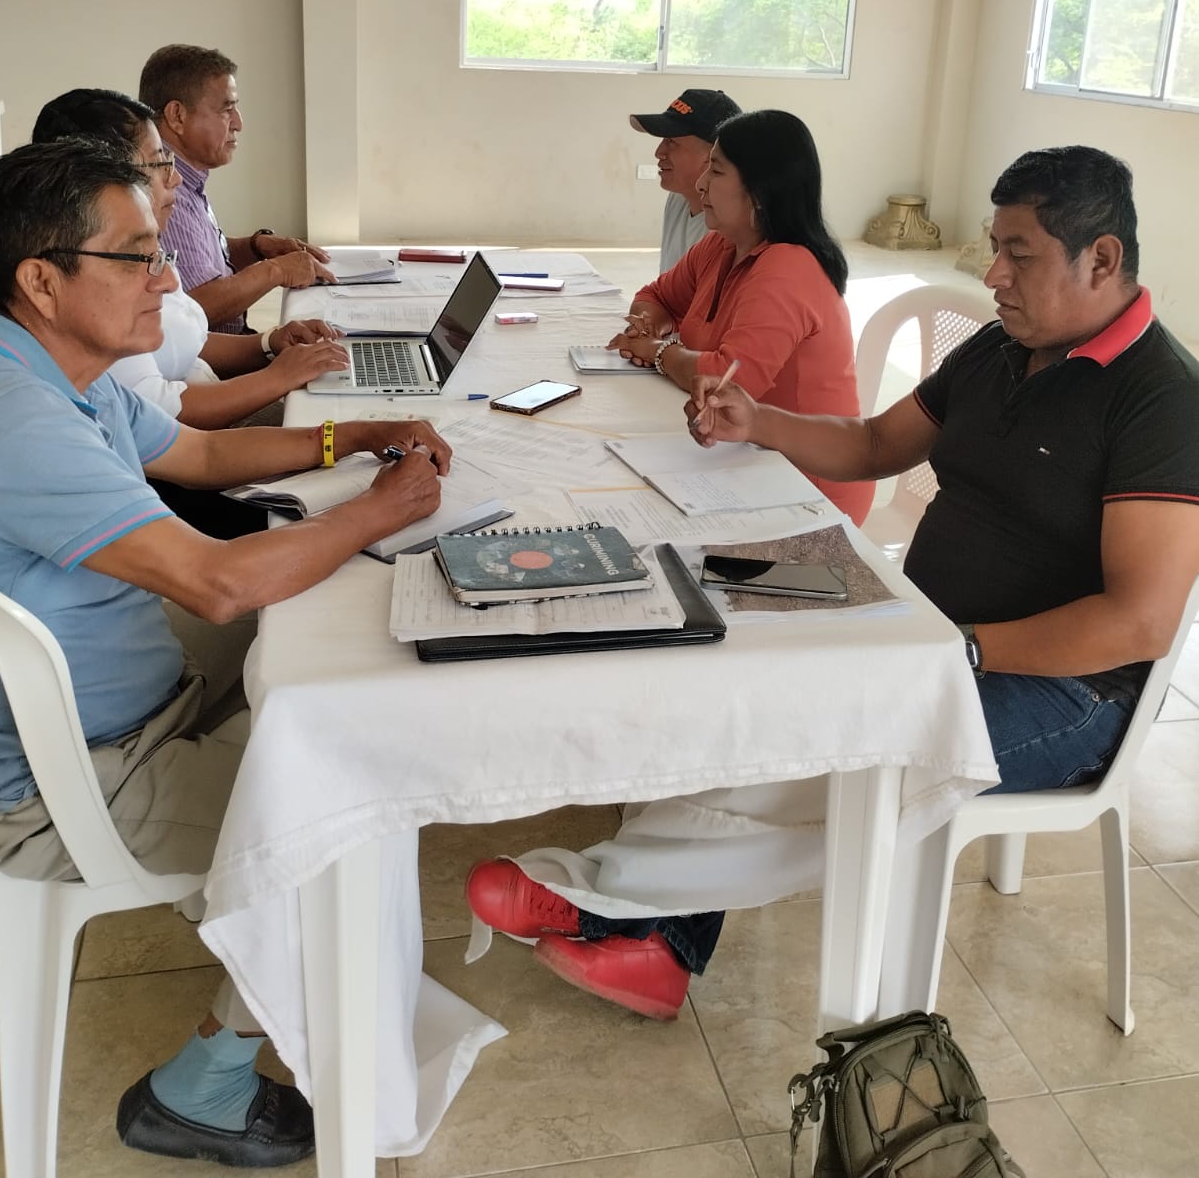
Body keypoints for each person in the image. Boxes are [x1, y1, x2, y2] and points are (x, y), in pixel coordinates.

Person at [467, 146, 1199, 1022]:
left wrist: (960, 650)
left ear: (1102, 259)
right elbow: (875, 444)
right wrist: (758, 421)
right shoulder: (1006, 347)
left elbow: (1140, 621)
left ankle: (602, 899)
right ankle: (661, 945)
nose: (993, 274)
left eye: (1019, 254)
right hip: (924, 630)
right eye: (993, 247)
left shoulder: (1162, 400)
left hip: (1061, 690)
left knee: (838, 749)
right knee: (739, 660)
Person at [0, 139, 450, 1167]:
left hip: (127, 690)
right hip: (68, 781)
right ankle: (204, 1084)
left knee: (343, 644)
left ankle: (296, 971)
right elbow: (217, 582)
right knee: (364, 800)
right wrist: (377, 509)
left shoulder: (55, 367)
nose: (167, 282)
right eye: (136, 257)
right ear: (41, 280)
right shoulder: (15, 416)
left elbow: (195, 451)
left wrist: (351, 438)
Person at [609, 108, 872, 525]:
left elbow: (728, 383)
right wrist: (646, 324)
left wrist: (657, 352)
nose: (700, 183)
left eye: (715, 171)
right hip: (739, 453)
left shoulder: (788, 266)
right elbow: (656, 295)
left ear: (761, 191)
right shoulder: (723, 244)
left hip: (803, 484)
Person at [32, 89, 350, 426]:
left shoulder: (139, 244)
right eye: (160, 163)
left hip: (209, 412)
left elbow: (186, 339)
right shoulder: (91, 281)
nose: (176, 177)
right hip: (200, 433)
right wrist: (278, 378)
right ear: (105, 178)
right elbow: (170, 423)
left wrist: (270, 344)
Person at [139, 44, 335, 333]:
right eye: (226, 109)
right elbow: (195, 308)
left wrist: (254, 247)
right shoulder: (166, 192)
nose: (238, 123)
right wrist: (275, 271)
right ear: (177, 115)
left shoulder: (187, 178)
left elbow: (196, 259)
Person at [630, 88, 740, 271]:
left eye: (672, 141)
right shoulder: (678, 198)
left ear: (713, 154)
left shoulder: (730, 231)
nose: (659, 152)